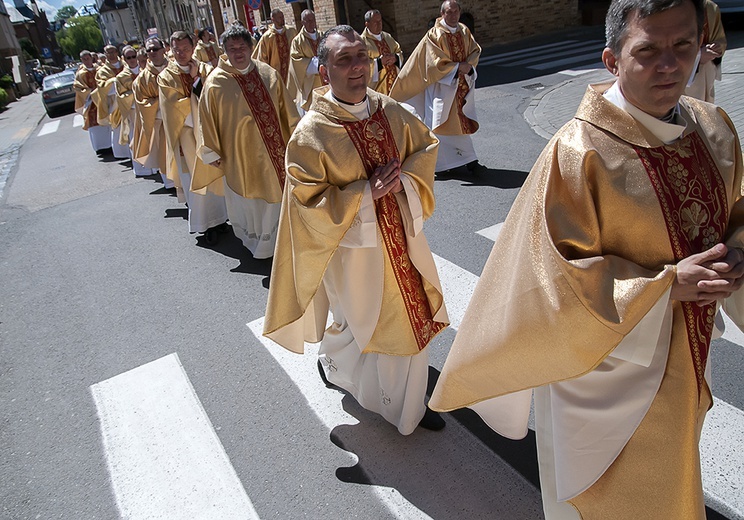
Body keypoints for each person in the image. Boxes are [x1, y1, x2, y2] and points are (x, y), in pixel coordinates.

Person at [429, 0, 744, 518]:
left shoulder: (713, 127)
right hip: (605, 371)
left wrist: (737, 251)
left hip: (687, 352)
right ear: (611, 59)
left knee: (674, 474)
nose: (670, 64)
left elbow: (735, 209)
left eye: (683, 45)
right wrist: (667, 285)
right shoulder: (578, 152)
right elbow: (555, 280)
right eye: (648, 51)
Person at [264, 26, 449, 435]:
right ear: (324, 71)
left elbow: (425, 147)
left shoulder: (388, 109)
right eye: (343, 59)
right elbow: (306, 204)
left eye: (361, 57)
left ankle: (409, 407)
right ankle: (345, 368)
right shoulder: (310, 134)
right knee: (361, 325)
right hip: (352, 252)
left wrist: (403, 182)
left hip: (401, 238)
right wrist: (365, 192)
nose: (356, 67)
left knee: (408, 317)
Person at [197, 25, 299, 258]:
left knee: (278, 199)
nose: (238, 52)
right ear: (225, 51)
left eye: (242, 47)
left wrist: (297, 138)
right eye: (232, 49)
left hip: (276, 152)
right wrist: (211, 151)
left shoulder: (268, 74)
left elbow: (288, 110)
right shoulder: (215, 83)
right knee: (252, 203)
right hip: (240, 156)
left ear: (251, 48)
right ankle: (260, 248)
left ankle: (282, 244)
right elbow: (207, 119)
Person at [389, 0, 482, 175]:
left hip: (459, 85)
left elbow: (474, 50)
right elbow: (433, 64)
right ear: (442, 14)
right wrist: (456, 68)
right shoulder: (435, 35)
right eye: (449, 12)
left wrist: (468, 66)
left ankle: (468, 162)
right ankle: (451, 164)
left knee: (458, 123)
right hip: (441, 87)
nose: (453, 15)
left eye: (456, 12)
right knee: (440, 122)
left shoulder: (464, 31)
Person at [158, 31, 228, 244]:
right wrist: (198, 117)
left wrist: (197, 79)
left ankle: (222, 218)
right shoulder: (166, 77)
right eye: (176, 49)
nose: (181, 53)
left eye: (185, 49)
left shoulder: (205, 69)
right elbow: (174, 109)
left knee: (216, 174)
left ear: (193, 46)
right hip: (187, 136)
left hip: (209, 133)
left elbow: (215, 94)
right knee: (195, 179)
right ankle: (205, 224)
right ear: (170, 48)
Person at [132, 38, 172, 187]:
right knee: (165, 154)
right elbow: (143, 104)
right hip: (161, 123)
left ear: (163, 50)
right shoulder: (142, 79)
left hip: (183, 120)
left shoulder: (175, 68)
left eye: (155, 49)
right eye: (149, 50)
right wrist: (162, 101)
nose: (152, 53)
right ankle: (172, 184)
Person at [115, 46, 152, 176]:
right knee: (136, 138)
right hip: (133, 111)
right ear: (124, 59)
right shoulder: (121, 77)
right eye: (128, 58)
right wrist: (136, 94)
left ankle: (155, 166)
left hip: (148, 109)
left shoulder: (146, 70)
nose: (132, 60)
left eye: (133, 56)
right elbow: (121, 96)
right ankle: (142, 169)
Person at [93, 45, 130, 159]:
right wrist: (116, 81)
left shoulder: (126, 64)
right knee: (119, 127)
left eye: (113, 52)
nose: (112, 54)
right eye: (108, 53)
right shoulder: (102, 71)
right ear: (105, 54)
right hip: (116, 103)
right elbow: (102, 86)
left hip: (130, 99)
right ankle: (124, 153)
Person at [686, 0, 726, 102]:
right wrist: (698, 56)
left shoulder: (709, 7)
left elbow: (719, 37)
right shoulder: (672, 9)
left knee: (706, 108)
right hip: (685, 70)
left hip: (707, 68)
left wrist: (716, 47)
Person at [73, 50, 111, 155]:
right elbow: (78, 88)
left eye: (88, 58)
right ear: (81, 60)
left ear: (91, 58)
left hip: (102, 99)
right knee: (94, 124)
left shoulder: (99, 69)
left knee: (106, 123)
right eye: (84, 59)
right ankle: (100, 148)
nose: (87, 61)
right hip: (91, 102)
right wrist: (91, 92)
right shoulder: (81, 74)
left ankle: (110, 145)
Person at [252, 9, 297, 95]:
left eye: (283, 17)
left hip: (292, 72)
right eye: (280, 17)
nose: (283, 19)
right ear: (273, 19)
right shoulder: (267, 37)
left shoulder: (291, 31)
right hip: (276, 74)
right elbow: (262, 58)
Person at [361, 9, 403, 96]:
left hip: (394, 83)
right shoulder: (362, 42)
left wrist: (395, 58)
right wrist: (379, 63)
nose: (379, 24)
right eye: (375, 22)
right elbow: (361, 63)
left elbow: (399, 52)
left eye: (380, 21)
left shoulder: (388, 37)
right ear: (367, 24)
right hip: (377, 88)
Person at [288, 9, 322, 112]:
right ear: (303, 22)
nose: (311, 23)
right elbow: (296, 61)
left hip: (326, 80)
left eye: (313, 20)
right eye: (308, 20)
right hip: (310, 83)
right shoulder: (297, 41)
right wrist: (316, 64)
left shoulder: (323, 35)